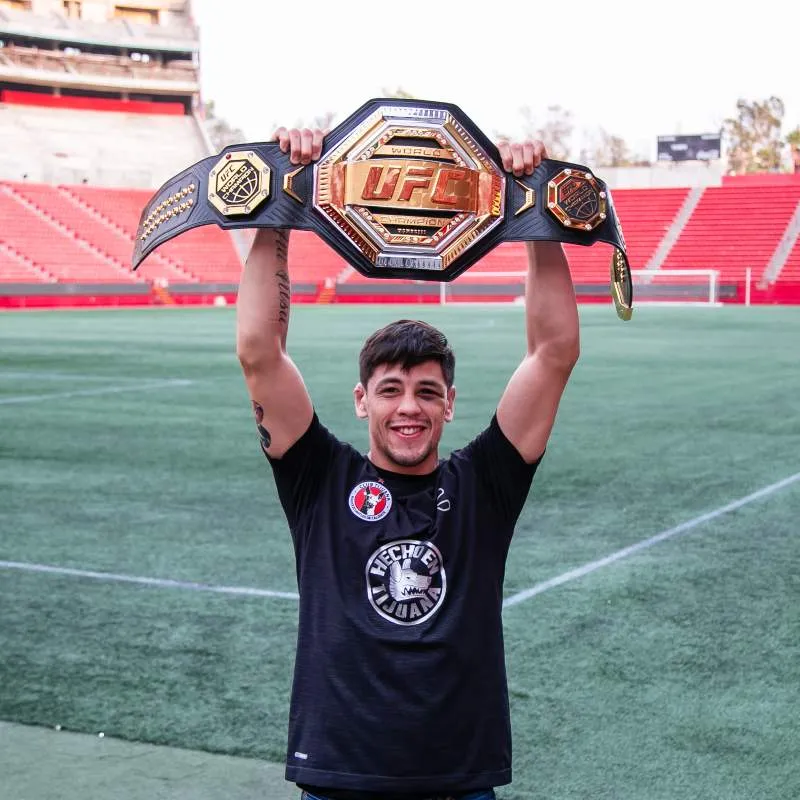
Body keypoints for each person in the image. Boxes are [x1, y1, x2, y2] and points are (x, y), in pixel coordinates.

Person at [236, 125, 580, 800]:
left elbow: (554, 354)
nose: (408, 408)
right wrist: (277, 201)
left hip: (457, 780)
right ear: (361, 400)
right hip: (338, 777)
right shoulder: (319, 478)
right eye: (390, 390)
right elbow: (258, 353)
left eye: (426, 391)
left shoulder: (484, 484)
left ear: (450, 404)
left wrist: (538, 208)